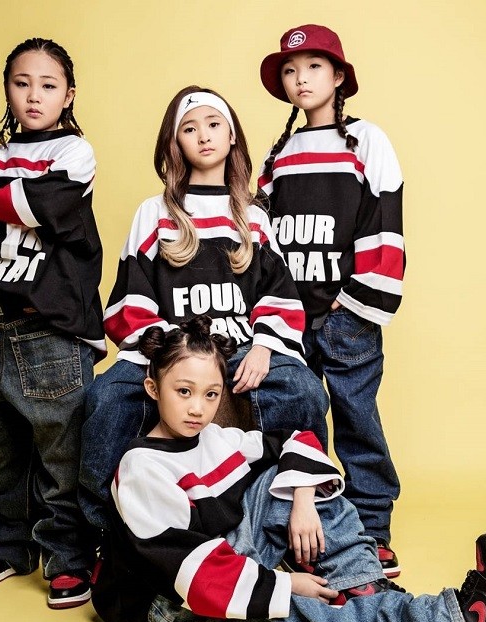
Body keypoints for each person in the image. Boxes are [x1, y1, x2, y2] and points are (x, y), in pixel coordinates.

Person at [92, 316, 486, 622]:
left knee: (294, 476)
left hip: (230, 560)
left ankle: (365, 588)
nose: (197, 409)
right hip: (174, 598)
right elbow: (192, 573)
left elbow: (297, 440)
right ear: (153, 389)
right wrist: (286, 584)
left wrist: (303, 500)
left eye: (211, 394)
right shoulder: (142, 468)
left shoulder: (215, 439)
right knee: (298, 614)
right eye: (183, 391)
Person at [79, 85, 328, 531]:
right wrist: (168, 354)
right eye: (190, 129)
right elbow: (129, 299)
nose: (204, 136)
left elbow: (279, 295)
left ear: (232, 137)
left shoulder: (253, 217)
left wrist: (265, 347)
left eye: (214, 125)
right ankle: (100, 534)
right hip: (170, 349)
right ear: (175, 142)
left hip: (242, 347)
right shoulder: (154, 212)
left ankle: (297, 516)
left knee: (304, 390)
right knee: (107, 397)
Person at [0, 37, 106, 609]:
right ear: (7, 89)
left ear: (68, 94)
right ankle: (6, 547)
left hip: (51, 329)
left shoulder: (75, 153)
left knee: (62, 453)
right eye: (22, 83)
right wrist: (12, 214)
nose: (34, 95)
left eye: (48, 85)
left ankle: (69, 557)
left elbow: (46, 206)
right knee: (2, 446)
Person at [257, 24, 405, 576]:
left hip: (346, 314)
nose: (301, 79)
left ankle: (374, 529)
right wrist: (268, 304)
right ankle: (314, 528)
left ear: (339, 76)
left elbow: (383, 218)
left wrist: (357, 299)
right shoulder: (280, 153)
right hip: (290, 315)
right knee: (297, 417)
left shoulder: (366, 141)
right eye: (290, 71)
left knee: (356, 417)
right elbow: (259, 232)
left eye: (314, 67)